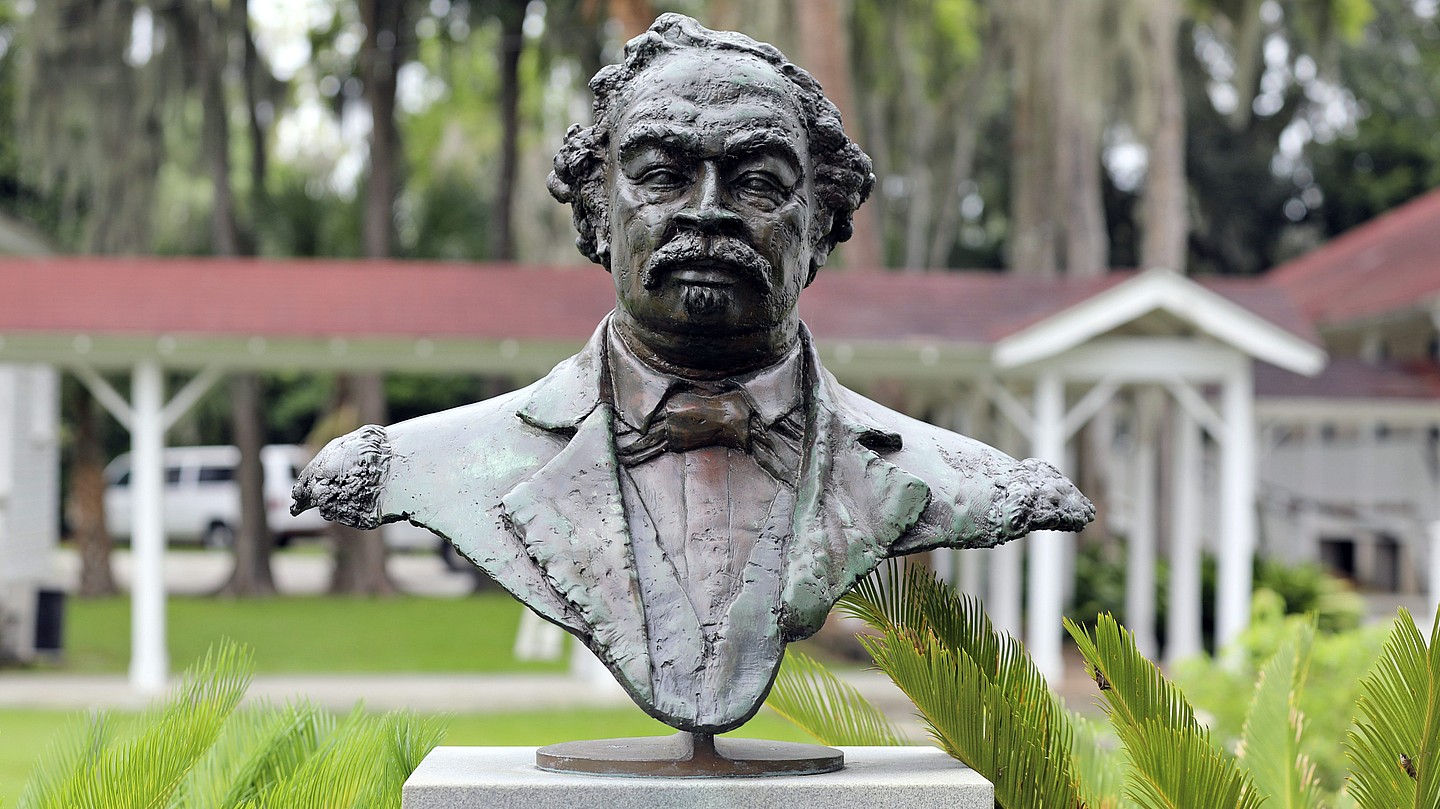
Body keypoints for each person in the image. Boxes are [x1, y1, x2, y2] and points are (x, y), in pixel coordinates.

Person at [292, 13, 1092, 736]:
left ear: (820, 226)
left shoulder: (966, 479)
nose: (708, 210)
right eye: (662, 173)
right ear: (597, 212)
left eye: (758, 182)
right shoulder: (415, 465)